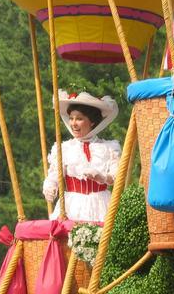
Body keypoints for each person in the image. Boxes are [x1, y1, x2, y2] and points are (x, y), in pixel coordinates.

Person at [42, 91, 120, 223]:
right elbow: (55, 174)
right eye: (71, 118)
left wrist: (102, 178)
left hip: (101, 205)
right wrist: (50, 185)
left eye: (79, 119)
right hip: (72, 206)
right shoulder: (64, 148)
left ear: (92, 122)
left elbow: (116, 177)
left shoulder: (109, 148)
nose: (73, 123)